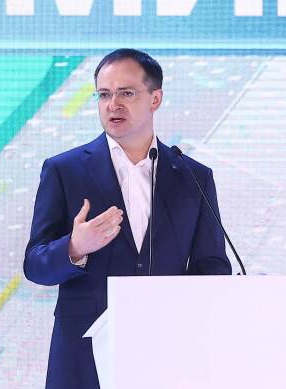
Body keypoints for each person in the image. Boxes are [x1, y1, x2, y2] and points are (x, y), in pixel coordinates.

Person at [24, 49, 232, 388]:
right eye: (104, 95)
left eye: (127, 93)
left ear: (155, 99)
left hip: (167, 353)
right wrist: (74, 248)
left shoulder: (194, 177)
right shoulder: (64, 170)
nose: (113, 104)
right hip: (84, 357)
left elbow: (213, 266)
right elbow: (35, 265)